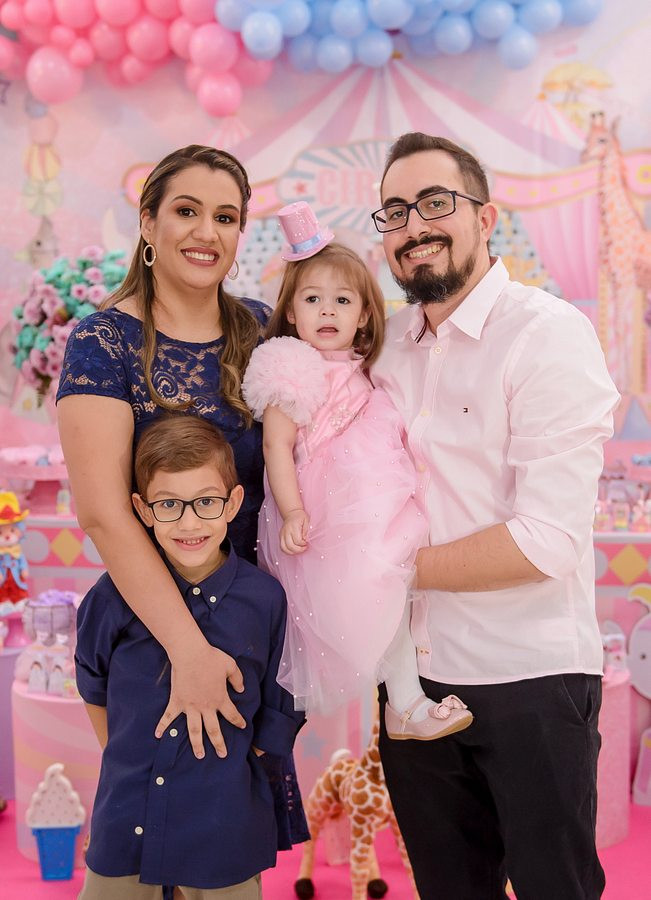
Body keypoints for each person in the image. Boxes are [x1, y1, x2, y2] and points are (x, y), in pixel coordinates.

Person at [371, 132, 620, 899]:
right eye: (393, 212)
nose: (413, 226)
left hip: (529, 678)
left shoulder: (546, 333)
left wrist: (380, 569)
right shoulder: (384, 346)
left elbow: (545, 541)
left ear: (485, 217)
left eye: (434, 203)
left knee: (555, 888)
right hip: (412, 685)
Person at [56, 145, 307, 849]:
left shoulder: (261, 328)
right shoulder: (103, 341)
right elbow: (103, 512)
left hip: (250, 621)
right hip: (153, 625)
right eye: (186, 211)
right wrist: (189, 651)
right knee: (147, 829)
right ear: (148, 222)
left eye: (225, 217)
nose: (206, 232)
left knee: (229, 843)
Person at [242, 201, 472, 739]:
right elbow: (277, 446)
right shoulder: (289, 367)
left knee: (391, 593)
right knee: (375, 593)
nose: (327, 312)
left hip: (369, 501)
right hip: (323, 512)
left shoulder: (369, 366)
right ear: (291, 312)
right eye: (312, 299)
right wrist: (293, 511)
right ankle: (406, 703)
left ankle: (404, 701)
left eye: (342, 301)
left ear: (364, 315)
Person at [76, 416, 304, 900]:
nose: (189, 522)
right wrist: (120, 758)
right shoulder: (112, 596)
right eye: (168, 504)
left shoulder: (266, 600)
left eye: (205, 502)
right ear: (142, 509)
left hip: (223, 831)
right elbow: (92, 682)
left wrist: (227, 772)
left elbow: (283, 704)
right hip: (126, 822)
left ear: (233, 503)